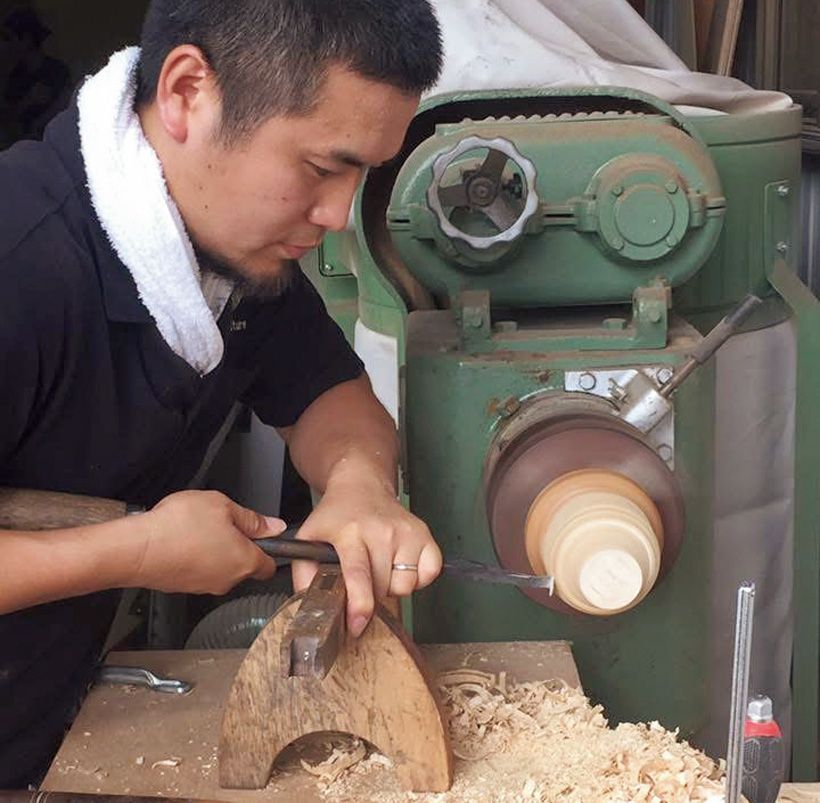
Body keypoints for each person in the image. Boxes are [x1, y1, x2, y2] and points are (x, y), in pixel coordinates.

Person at [0, 0, 443, 787]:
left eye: (361, 175)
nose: (338, 215)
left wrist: (358, 487)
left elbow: (330, 393)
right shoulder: (21, 263)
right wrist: (135, 551)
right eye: (319, 168)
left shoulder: (230, 259)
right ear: (186, 92)